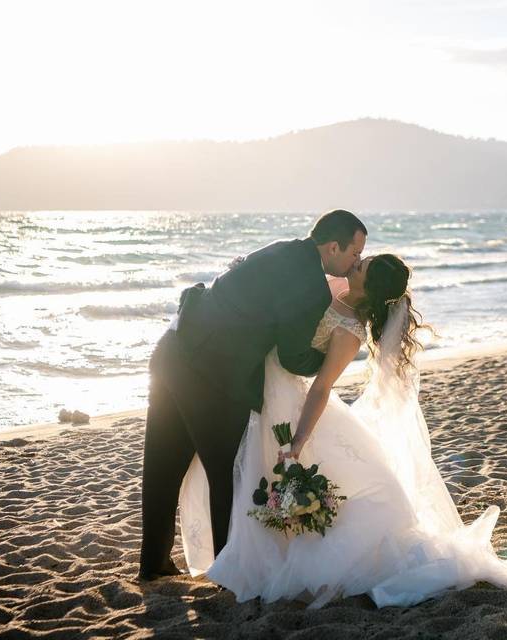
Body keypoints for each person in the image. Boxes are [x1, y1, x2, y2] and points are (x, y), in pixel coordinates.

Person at [179, 254, 507, 607]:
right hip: (264, 385)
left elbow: (321, 388)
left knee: (275, 474)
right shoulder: (332, 284)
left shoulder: (350, 331)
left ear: (369, 287)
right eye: (359, 257)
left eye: (362, 266)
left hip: (294, 401)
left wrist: (300, 440)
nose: (356, 262)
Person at [137, 209, 367, 581]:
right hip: (210, 374)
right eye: (354, 253)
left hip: (173, 348)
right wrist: (329, 355)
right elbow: (294, 358)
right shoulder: (310, 285)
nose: (355, 261)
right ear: (333, 247)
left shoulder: (282, 248)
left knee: (162, 464)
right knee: (227, 470)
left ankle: (153, 564)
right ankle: (229, 568)